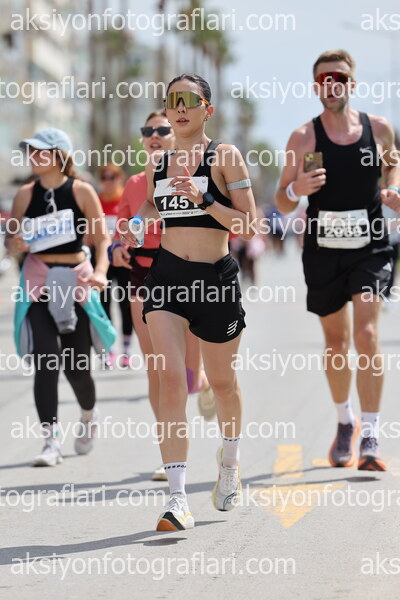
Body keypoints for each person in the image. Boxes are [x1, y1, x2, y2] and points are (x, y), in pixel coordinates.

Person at [120, 74, 256, 531]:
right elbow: (151, 207)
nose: (179, 108)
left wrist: (207, 199)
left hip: (215, 281)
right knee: (171, 381)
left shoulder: (225, 156)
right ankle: (177, 499)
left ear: (207, 109)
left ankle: (230, 463)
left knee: (222, 384)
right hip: (166, 278)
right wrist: (136, 226)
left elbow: (249, 224)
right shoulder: (159, 162)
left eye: (188, 100)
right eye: (172, 100)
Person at [276, 50, 400, 471]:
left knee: (367, 334)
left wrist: (392, 190)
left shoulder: (378, 129)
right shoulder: (303, 138)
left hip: (370, 246)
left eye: (340, 78)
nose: (332, 84)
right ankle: (345, 420)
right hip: (323, 250)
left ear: (352, 84)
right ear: (316, 87)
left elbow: (392, 165)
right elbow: (281, 199)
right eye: (324, 79)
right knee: (337, 343)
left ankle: (371, 435)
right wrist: (296, 190)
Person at [110, 109, 217, 482]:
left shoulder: (198, 172)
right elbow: (121, 227)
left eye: (162, 129)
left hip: (189, 273)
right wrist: (117, 248)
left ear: (177, 135)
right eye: (148, 130)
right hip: (143, 275)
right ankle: (168, 454)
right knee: (157, 368)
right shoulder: (134, 183)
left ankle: (202, 382)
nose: (154, 135)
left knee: (187, 371)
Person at [6, 127, 115, 466]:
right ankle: (50, 441)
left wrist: (100, 271)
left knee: (76, 368)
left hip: (75, 281)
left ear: (59, 155)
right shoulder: (25, 193)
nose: (33, 156)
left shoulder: (81, 191)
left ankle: (88, 415)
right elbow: (11, 241)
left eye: (40, 151)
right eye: (30, 150)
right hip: (38, 281)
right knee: (46, 361)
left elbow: (102, 239)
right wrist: (14, 244)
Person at [95, 164, 133, 367]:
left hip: (125, 257)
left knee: (126, 304)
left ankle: (126, 350)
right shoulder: (96, 201)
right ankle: (109, 349)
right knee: (104, 303)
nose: (109, 181)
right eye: (105, 177)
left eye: (113, 177)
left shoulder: (126, 198)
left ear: (120, 178)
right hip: (103, 260)